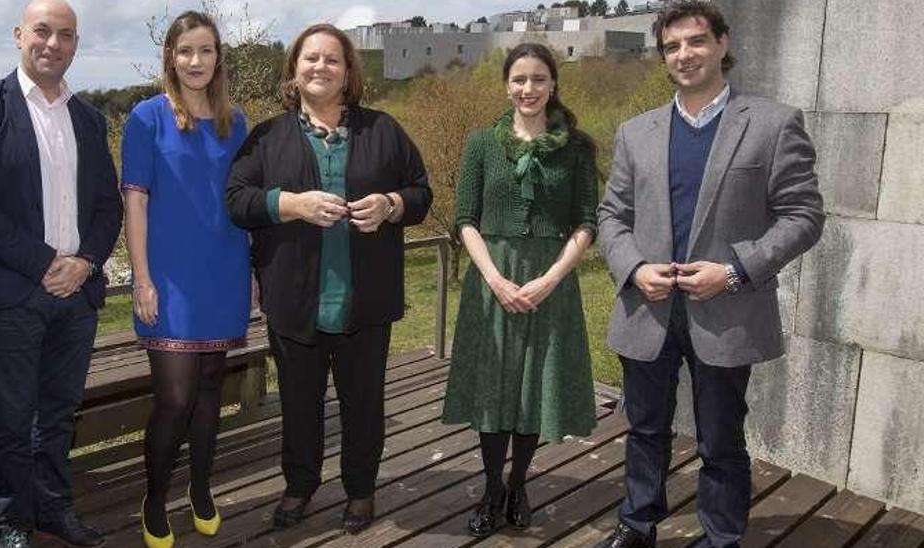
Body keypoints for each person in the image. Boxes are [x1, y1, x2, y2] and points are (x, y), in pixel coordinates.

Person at [593, 2, 824, 547]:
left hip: (726, 312)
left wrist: (735, 270)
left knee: (720, 440)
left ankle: (720, 538)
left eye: (695, 41)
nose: (684, 55)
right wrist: (633, 267)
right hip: (648, 310)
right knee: (645, 429)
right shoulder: (636, 132)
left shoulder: (772, 123)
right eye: (671, 47)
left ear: (722, 43)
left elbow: (805, 216)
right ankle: (637, 524)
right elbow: (611, 216)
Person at [225, 23, 433, 536]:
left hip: (366, 301)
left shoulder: (383, 130)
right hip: (295, 301)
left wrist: (391, 204)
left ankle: (360, 491)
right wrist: (289, 203)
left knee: (364, 404)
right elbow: (235, 200)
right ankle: (299, 486)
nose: (320, 67)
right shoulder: (267, 136)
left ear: (347, 72)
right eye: (310, 59)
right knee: (299, 405)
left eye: (332, 60)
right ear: (294, 71)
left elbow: (421, 193)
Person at [0, 1, 123, 546]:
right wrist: (48, 262)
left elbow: (107, 207)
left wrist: (85, 262)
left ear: (76, 43)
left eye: (65, 35)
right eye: (42, 31)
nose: (53, 43)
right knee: (12, 417)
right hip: (11, 292)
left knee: (59, 413)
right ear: (19, 34)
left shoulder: (90, 119)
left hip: (77, 294)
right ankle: (13, 519)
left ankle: (53, 509)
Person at [441, 42, 600, 538]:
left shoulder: (578, 148)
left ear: (554, 84)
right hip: (493, 277)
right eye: (518, 79)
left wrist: (551, 277)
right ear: (506, 84)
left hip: (550, 280)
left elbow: (587, 222)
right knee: (494, 386)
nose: (527, 89)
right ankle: (491, 488)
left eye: (538, 79)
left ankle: (518, 482)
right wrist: (492, 277)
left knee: (534, 386)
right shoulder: (481, 144)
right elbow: (463, 218)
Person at [119, 10, 250, 548]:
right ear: (170, 57)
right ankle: (154, 498)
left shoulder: (236, 121)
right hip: (168, 278)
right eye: (185, 51)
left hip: (225, 270)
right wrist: (142, 278)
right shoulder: (145, 118)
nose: (195, 61)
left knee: (210, 389)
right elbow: (136, 201)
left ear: (218, 58)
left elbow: (243, 202)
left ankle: (200, 488)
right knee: (174, 397)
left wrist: (256, 270)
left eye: (206, 50)